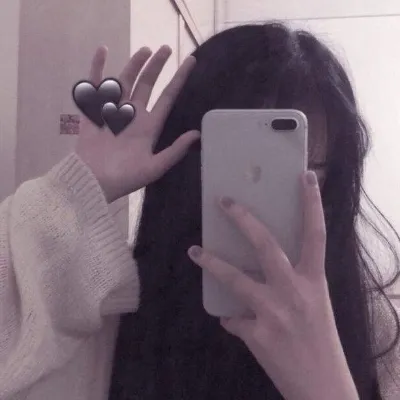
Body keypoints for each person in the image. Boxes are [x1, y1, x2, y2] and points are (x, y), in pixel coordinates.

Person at [0, 21, 399, 400]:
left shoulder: (374, 328)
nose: (256, 204)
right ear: (188, 165)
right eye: (238, 166)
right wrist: (81, 188)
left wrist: (327, 385)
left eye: (304, 170)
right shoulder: (107, 307)